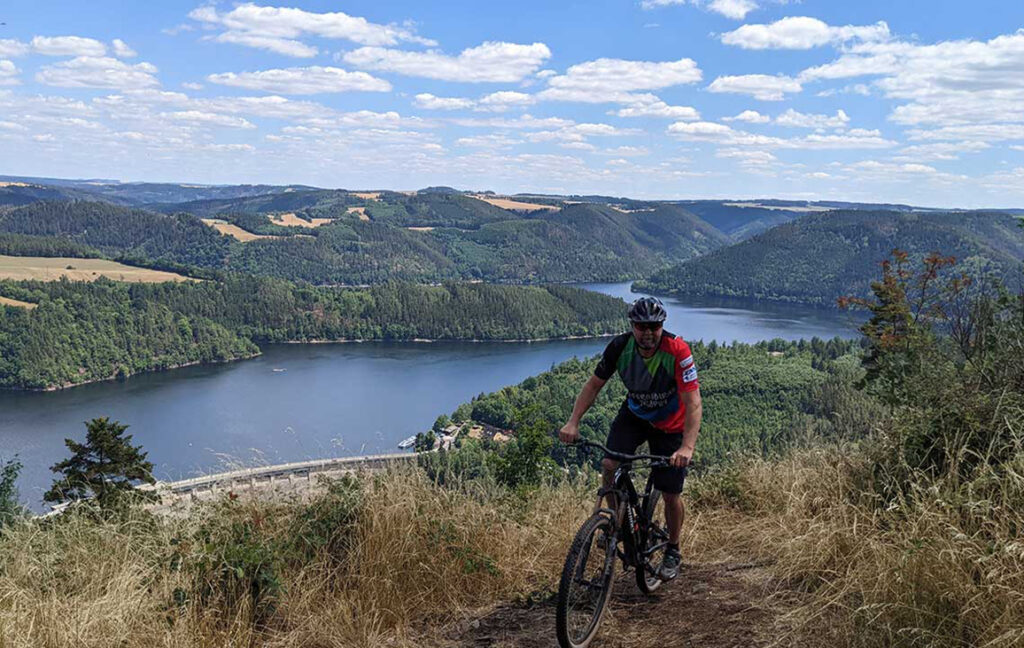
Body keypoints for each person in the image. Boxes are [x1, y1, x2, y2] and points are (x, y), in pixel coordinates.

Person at [559, 296, 702, 581]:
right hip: (635, 415)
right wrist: (573, 421)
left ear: (662, 325)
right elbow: (593, 385)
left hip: (670, 425)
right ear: (632, 326)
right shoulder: (620, 347)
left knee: (671, 493)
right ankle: (619, 525)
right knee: (610, 465)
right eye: (641, 326)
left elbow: (693, 402)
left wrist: (687, 446)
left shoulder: (677, 350)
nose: (648, 332)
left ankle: (673, 548)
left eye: (654, 326)